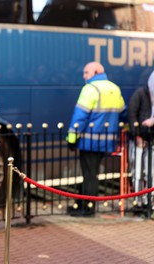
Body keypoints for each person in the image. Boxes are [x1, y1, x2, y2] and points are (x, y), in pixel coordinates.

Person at [66, 61, 126, 217]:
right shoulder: (114, 88)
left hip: (88, 141)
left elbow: (80, 117)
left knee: (89, 174)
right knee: (92, 173)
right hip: (107, 140)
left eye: (87, 72)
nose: (84, 76)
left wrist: (72, 138)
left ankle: (87, 208)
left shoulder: (90, 89)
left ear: (97, 71)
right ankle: (82, 204)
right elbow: (122, 113)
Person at [127, 70, 154, 211]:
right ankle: (138, 201)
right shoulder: (140, 94)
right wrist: (137, 135)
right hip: (140, 140)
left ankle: (150, 201)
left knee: (152, 173)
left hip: (152, 141)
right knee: (137, 171)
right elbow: (132, 114)